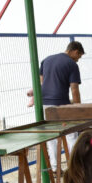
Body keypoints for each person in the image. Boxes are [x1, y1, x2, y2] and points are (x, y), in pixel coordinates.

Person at [36, 41, 84, 171]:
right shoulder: (71, 64)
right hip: (62, 105)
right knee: (71, 135)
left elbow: (42, 82)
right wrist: (78, 110)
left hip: (45, 104)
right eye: (78, 57)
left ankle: (55, 167)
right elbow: (74, 89)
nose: (77, 60)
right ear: (75, 51)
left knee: (52, 138)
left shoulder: (46, 60)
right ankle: (75, 168)